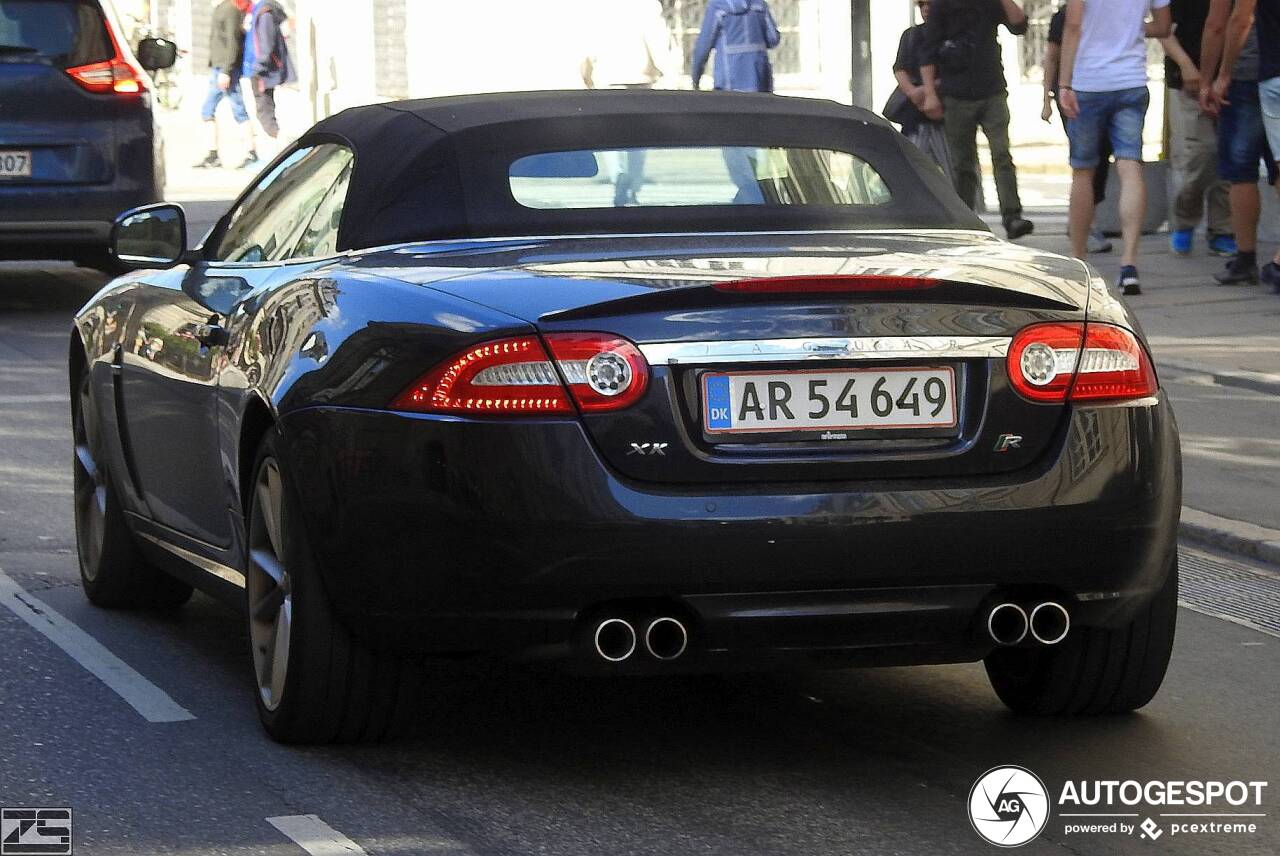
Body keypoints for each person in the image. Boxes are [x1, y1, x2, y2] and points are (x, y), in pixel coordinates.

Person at [1059, 0, 1172, 296]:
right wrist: (1129, 28)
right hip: (1131, 81)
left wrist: (1064, 83)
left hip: (1088, 82)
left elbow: (1072, 25)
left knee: (1083, 170)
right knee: (1130, 166)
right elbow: (1162, 26)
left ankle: (1078, 261)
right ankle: (1129, 264)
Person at [918, 0, 1035, 241]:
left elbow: (1019, 25)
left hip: (991, 91)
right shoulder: (941, 5)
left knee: (1002, 155)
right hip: (957, 95)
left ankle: (1012, 216)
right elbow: (927, 53)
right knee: (963, 164)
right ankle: (964, 219)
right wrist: (930, 95)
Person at [1201, 0, 1278, 286]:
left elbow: (1219, 24)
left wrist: (1213, 78)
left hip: (1244, 74)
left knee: (1241, 170)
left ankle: (1245, 258)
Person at [581, 0, 681, 205]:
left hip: (607, 78)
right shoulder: (647, 5)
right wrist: (669, 72)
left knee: (610, 136)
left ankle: (618, 176)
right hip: (640, 79)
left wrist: (587, 75)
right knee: (638, 138)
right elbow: (657, 39)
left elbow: (589, 45)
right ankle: (633, 185)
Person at [1160, 1, 1234, 255]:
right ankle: (1185, 217)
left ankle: (1222, 228)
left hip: (1230, 76)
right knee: (1200, 153)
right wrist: (1186, 66)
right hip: (1186, 79)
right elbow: (1163, 29)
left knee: (1227, 157)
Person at [1042, 4, 1111, 253]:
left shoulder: (1106, 11)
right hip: (1071, 94)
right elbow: (1051, 57)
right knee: (1084, 162)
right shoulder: (1062, 16)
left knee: (1103, 157)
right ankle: (1085, 225)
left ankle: (1084, 220)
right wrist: (1046, 99)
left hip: (1106, 89)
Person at [891, 0, 954, 178]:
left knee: (957, 175)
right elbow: (899, 68)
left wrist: (927, 89)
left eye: (930, 3)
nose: (926, 9)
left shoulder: (952, 35)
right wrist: (912, 92)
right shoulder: (911, 35)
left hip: (946, 117)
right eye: (922, 4)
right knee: (910, 174)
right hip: (914, 118)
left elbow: (958, 73)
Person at [193, 0, 257, 170]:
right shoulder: (221, 8)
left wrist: (226, 70)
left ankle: (251, 152)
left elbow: (232, 42)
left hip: (225, 69)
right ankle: (214, 154)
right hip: (219, 67)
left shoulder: (229, 10)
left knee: (238, 110)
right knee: (209, 110)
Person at [691, 0, 780, 93]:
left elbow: (703, 47)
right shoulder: (759, 5)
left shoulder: (717, 6)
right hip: (759, 79)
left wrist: (696, 78)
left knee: (730, 106)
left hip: (728, 80)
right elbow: (773, 38)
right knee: (759, 106)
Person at [242, 0, 294, 141]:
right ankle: (279, 140)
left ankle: (282, 143)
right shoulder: (257, 10)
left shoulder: (264, 14)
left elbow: (266, 45)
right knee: (265, 110)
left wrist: (258, 68)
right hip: (259, 69)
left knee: (265, 112)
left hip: (262, 72)